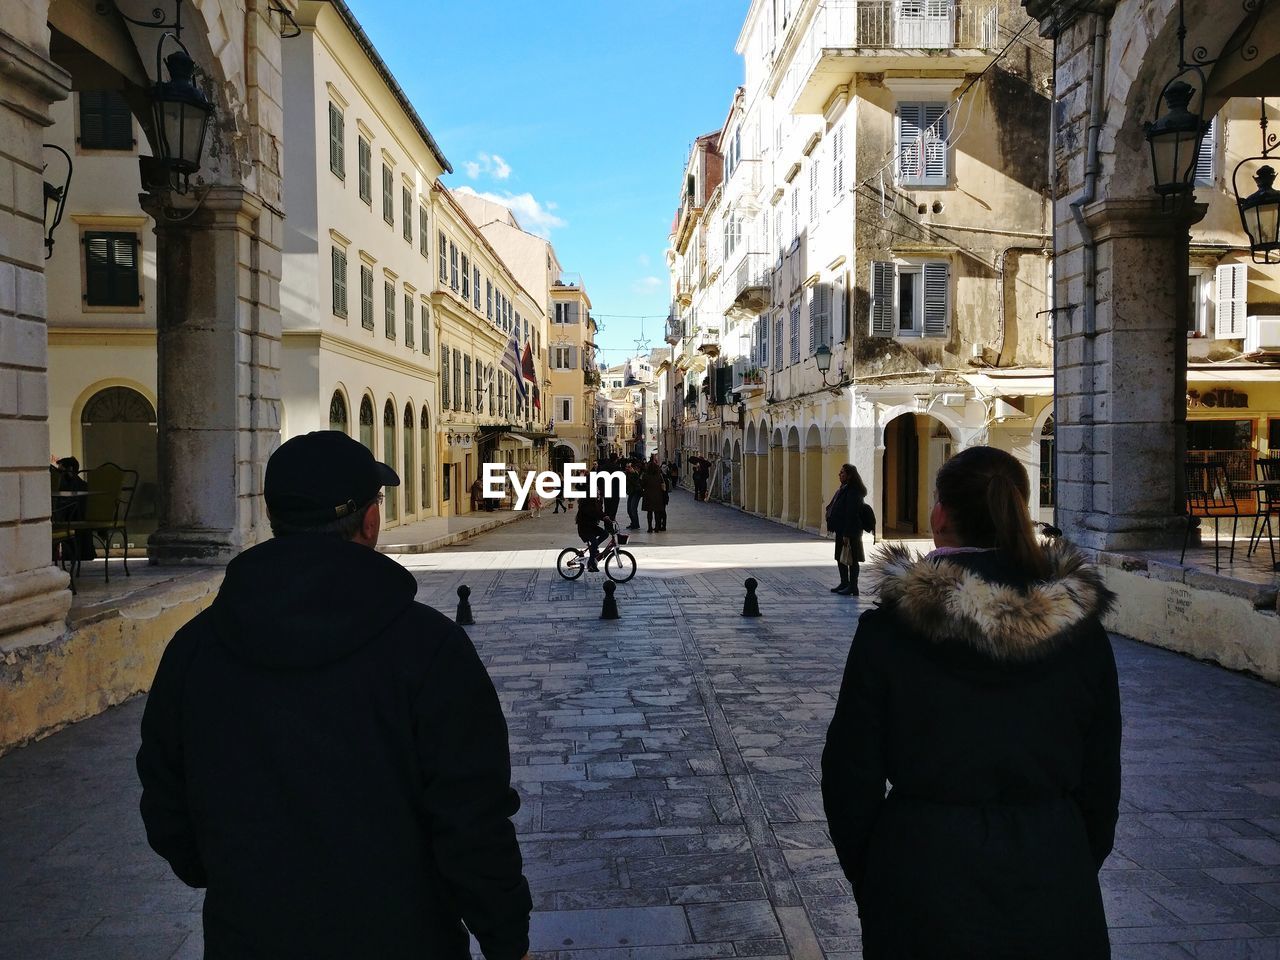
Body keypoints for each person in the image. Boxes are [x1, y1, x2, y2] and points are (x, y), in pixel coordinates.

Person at [136, 431, 532, 960]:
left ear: (276, 518)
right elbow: (473, 818)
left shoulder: (194, 649)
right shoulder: (429, 649)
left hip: (249, 937)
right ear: (369, 522)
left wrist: (234, 876)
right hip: (406, 937)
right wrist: (508, 942)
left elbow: (165, 797)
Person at [821, 446, 1120, 960]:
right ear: (1018, 512)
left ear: (940, 515)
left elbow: (849, 775)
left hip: (922, 877)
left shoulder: (891, 631)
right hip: (1052, 874)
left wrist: (878, 873)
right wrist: (1063, 854)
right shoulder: (1080, 632)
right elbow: (1101, 781)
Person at [825, 463, 870, 595]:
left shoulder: (853, 491)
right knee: (841, 557)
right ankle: (844, 583)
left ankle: (853, 586)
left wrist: (846, 533)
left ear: (850, 476)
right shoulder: (845, 488)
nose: (839, 475)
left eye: (842, 473)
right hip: (842, 529)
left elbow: (851, 513)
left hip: (850, 531)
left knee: (852, 559)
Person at [575, 492, 610, 571]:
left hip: (592, 527)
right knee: (594, 542)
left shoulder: (595, 501)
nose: (598, 493)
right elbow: (593, 512)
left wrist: (606, 516)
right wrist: (603, 517)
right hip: (584, 528)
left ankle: (593, 549)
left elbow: (599, 511)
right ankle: (590, 564)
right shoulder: (585, 502)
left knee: (605, 534)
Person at [641, 456, 667, 533]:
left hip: (648, 495)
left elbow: (642, 485)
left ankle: (649, 527)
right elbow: (663, 485)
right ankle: (656, 527)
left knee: (649, 513)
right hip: (658, 496)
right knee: (657, 512)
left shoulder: (645, 476)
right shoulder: (659, 476)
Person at [624, 460, 642, 530]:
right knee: (629, 509)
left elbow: (636, 483)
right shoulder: (627, 474)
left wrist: (633, 474)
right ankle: (633, 523)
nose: (627, 468)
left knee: (633, 509)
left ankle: (636, 524)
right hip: (631, 492)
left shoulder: (636, 474)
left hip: (637, 492)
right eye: (626, 467)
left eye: (629, 467)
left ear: (633, 468)